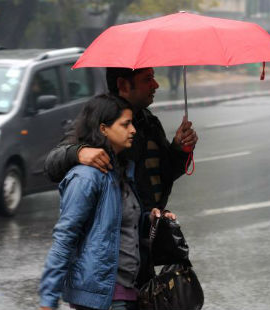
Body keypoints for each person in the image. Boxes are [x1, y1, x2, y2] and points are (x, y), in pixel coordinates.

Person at [39, 94, 177, 310]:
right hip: (104, 296)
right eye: (125, 124)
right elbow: (65, 237)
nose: (133, 130)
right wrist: (48, 300)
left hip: (128, 290)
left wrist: (152, 219)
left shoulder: (121, 171)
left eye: (132, 123)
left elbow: (120, 226)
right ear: (103, 129)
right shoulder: (86, 177)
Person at [45, 67, 197, 213]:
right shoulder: (97, 120)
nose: (156, 85)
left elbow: (164, 174)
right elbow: (52, 163)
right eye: (147, 79)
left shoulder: (149, 122)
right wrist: (78, 152)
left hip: (150, 227)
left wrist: (180, 148)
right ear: (123, 85)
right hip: (119, 234)